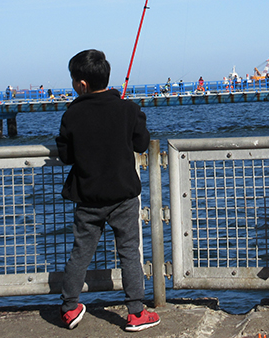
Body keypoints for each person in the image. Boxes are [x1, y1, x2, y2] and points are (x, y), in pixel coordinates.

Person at [55, 49, 160, 332]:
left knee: (81, 252)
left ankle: (69, 307)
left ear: (82, 84)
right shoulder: (127, 109)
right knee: (129, 251)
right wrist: (135, 117)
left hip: (88, 197)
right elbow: (141, 143)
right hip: (124, 195)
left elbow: (66, 155)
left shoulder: (72, 114)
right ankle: (136, 312)